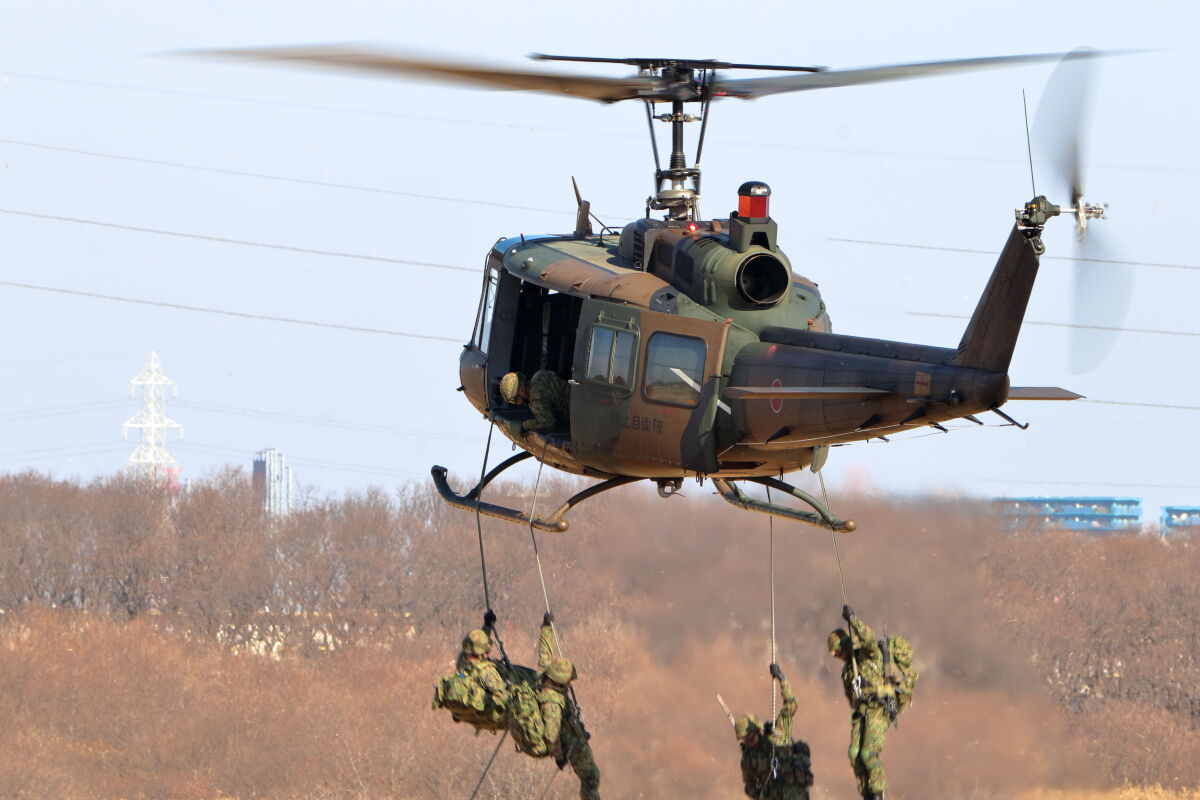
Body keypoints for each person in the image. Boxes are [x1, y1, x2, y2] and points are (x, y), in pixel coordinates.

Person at [828, 605, 914, 800]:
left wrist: (853, 620)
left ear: (846, 646)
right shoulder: (849, 670)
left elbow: (868, 638)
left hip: (878, 707)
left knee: (869, 753)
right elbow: (851, 697)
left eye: (839, 652)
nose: (839, 658)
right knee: (854, 753)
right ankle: (867, 792)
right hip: (862, 711)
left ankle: (877, 793)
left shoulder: (867, 656)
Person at [536, 612, 601, 800]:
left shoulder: (544, 677)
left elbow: (545, 654)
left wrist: (546, 627)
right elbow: (551, 733)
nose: (569, 685)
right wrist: (559, 756)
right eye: (567, 682)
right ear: (558, 682)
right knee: (590, 777)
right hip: (570, 742)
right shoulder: (551, 702)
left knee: (592, 776)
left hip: (573, 735)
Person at [735, 663, 813, 800]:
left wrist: (782, 680)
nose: (748, 742)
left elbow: (791, 705)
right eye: (745, 740)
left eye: (750, 737)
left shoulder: (777, 735)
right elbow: (750, 786)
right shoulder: (749, 759)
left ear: (757, 731)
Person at [432, 614, 510, 732]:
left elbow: (476, 645)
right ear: (484, 651)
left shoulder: (462, 662)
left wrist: (487, 627)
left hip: (474, 718)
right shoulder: (487, 673)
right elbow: (503, 699)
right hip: (493, 719)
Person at [499, 369, 570, 433]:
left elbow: (549, 423)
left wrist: (525, 425)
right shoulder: (539, 375)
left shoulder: (535, 400)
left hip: (572, 411)